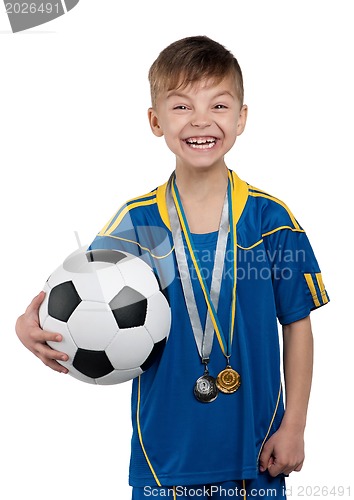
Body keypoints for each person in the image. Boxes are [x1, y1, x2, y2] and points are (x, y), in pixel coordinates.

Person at [16, 36, 329, 499]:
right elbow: (76, 294)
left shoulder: (269, 220)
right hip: (164, 461)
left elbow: (297, 325)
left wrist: (295, 426)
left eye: (219, 105)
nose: (202, 120)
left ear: (241, 118)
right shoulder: (136, 224)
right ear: (155, 120)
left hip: (258, 454)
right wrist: (27, 325)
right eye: (182, 107)